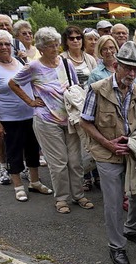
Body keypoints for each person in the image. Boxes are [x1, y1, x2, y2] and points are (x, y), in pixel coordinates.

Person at [80, 41, 136, 264]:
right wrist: (108, 144)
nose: (131, 73)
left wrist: (134, 142)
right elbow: (85, 121)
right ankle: (116, 245)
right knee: (112, 201)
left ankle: (132, 229)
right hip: (105, 152)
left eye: (135, 69)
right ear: (116, 65)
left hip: (130, 151)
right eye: (127, 67)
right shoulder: (97, 89)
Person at [9, 26, 93, 214]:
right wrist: (31, 101)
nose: (55, 49)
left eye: (56, 45)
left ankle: (78, 195)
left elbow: (75, 87)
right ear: (40, 48)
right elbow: (13, 83)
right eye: (50, 46)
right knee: (59, 163)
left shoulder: (65, 63)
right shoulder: (33, 66)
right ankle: (61, 199)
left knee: (75, 160)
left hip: (70, 118)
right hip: (46, 119)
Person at [0, 29, 52, 201]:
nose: (4, 47)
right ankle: (18, 186)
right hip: (9, 118)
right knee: (13, 151)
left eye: (7, 43)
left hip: (30, 115)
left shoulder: (21, 61)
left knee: (32, 149)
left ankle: (34, 182)